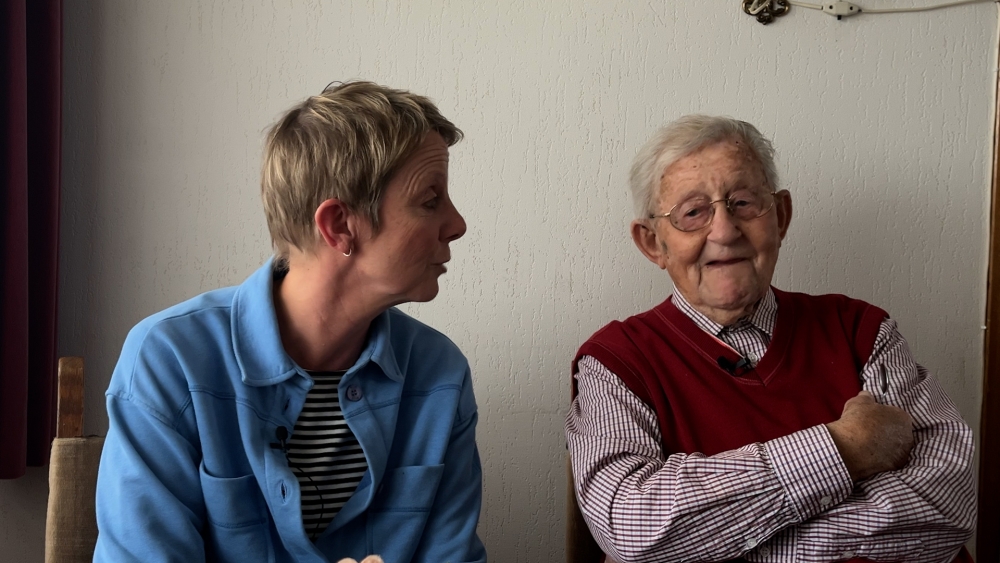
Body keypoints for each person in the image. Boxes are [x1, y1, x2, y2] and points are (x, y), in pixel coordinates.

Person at [94, 81, 487, 563]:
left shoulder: (440, 376)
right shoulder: (168, 363)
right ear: (339, 225)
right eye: (430, 201)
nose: (457, 223)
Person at [565, 115, 976, 563]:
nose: (723, 231)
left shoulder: (861, 330)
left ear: (780, 217)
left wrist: (730, 544)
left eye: (742, 202)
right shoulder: (617, 361)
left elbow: (945, 504)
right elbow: (631, 524)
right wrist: (844, 448)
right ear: (653, 244)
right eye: (693, 212)